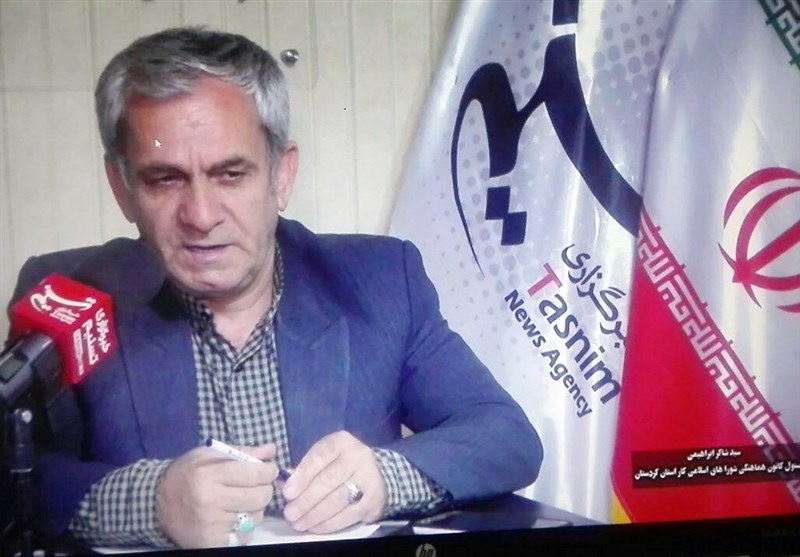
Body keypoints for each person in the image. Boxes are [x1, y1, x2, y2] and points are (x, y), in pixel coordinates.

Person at [7, 27, 543, 549]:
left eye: (231, 174)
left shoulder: (379, 280)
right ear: (122, 188)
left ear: (280, 176)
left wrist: (384, 477)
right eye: (164, 179)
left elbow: (504, 435)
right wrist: (150, 503)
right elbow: (13, 473)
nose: (201, 216)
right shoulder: (68, 295)